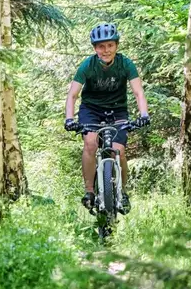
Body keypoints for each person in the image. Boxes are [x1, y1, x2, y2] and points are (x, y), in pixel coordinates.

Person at [64, 22, 150, 213]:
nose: (106, 50)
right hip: (91, 110)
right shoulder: (88, 65)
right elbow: (72, 95)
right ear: (95, 48)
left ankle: (123, 192)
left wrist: (144, 114)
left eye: (110, 45)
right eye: (101, 46)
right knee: (90, 143)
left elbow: (138, 92)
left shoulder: (125, 64)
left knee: (118, 150)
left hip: (117, 110)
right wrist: (69, 119)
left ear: (116, 46)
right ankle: (89, 192)